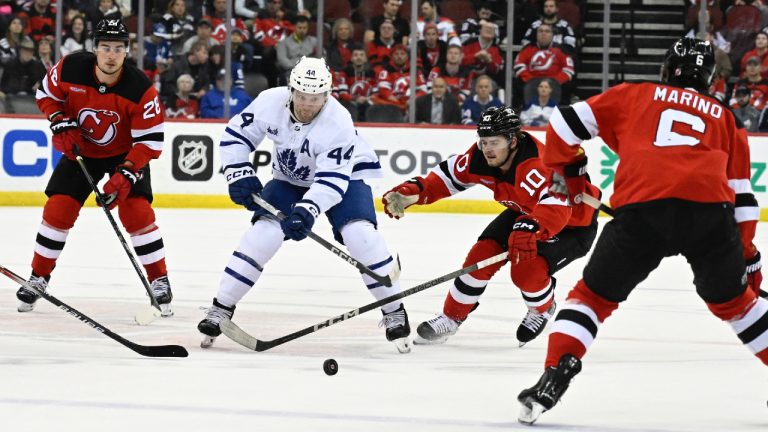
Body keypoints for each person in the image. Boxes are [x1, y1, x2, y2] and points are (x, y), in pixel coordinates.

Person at [516, 37, 768, 425]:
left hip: (644, 211)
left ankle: (555, 373)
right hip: (709, 214)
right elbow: (744, 199)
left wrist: (572, 171)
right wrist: (748, 258)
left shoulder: (635, 94)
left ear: (666, 70)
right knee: (738, 307)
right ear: (710, 79)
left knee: (591, 299)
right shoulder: (726, 117)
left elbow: (563, 123)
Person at [197, 56, 412, 353]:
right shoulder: (269, 102)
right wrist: (238, 173)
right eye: (301, 95)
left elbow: (331, 182)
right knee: (263, 234)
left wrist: (308, 210)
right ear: (290, 89)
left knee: (360, 236)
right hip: (290, 177)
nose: (307, 104)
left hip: (347, 176)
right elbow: (237, 135)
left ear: (328, 94)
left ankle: (394, 310)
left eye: (315, 98)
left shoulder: (338, 122)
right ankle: (221, 307)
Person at [383, 106, 599, 346]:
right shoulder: (479, 157)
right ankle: (451, 318)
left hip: (572, 224)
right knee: (481, 255)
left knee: (526, 271)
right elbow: (447, 178)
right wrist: (413, 193)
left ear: (513, 140)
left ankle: (542, 308)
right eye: (483, 141)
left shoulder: (540, 163)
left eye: (494, 142)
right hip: (525, 213)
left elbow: (558, 203)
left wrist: (531, 226)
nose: (487, 149)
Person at [20, 18, 174, 316]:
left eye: (118, 48)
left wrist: (127, 171)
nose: (111, 54)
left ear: (127, 51)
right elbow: (46, 95)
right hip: (82, 150)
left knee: (137, 212)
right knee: (58, 209)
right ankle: (38, 277)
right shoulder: (71, 68)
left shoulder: (140, 89)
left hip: (124, 154)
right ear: (95, 49)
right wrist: (59, 121)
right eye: (105, 47)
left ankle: (159, 280)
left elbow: (150, 142)